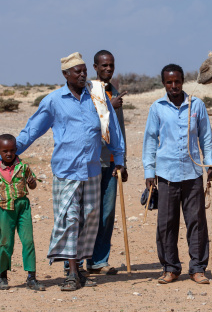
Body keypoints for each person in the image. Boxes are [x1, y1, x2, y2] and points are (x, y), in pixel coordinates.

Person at [12, 52, 125, 291]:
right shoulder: (54, 101)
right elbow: (32, 129)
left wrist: (119, 158)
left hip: (92, 169)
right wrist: (11, 152)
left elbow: (112, 128)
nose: (83, 74)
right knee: (70, 219)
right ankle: (71, 272)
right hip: (67, 170)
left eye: (85, 70)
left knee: (89, 220)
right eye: (78, 71)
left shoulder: (97, 98)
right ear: (65, 74)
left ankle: (79, 267)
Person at [142, 64, 212, 285]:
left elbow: (206, 138)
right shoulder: (157, 108)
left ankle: (198, 268)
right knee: (166, 223)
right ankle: (170, 268)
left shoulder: (197, 105)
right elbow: (150, 142)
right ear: (163, 83)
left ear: (183, 81)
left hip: (193, 173)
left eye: (177, 81)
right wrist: (149, 171)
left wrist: (210, 165)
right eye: (169, 82)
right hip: (165, 174)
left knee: (196, 222)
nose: (173, 86)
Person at [63, 50, 128, 276]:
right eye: (104, 66)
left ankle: (98, 260)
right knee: (82, 212)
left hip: (110, 162)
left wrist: (123, 161)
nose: (108, 69)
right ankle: (72, 261)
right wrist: (111, 104)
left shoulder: (115, 92)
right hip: (88, 162)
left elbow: (119, 132)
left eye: (111, 65)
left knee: (106, 213)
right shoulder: (88, 91)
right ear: (95, 67)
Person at [0, 134, 45, 291]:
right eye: (4, 151)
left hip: (23, 207)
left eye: (12, 150)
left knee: (28, 241)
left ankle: (31, 277)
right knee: (5, 243)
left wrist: (32, 183)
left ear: (16, 150)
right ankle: (2, 276)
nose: (9, 154)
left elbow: (32, 185)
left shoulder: (24, 166)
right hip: (5, 208)